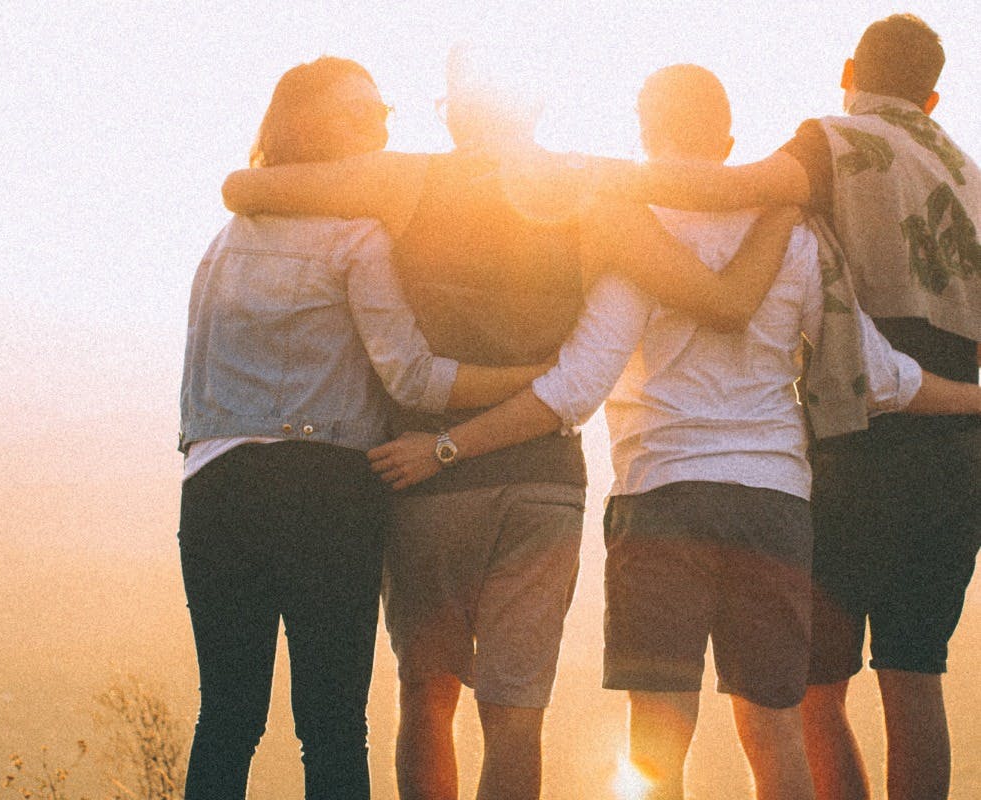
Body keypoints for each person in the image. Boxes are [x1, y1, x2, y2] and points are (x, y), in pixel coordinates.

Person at [370, 63, 981, 800]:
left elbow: (576, 388)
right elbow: (877, 375)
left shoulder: (634, 236)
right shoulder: (794, 235)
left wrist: (449, 446)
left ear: (644, 133)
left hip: (662, 500)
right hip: (774, 503)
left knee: (658, 740)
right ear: (727, 141)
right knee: (776, 734)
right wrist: (972, 398)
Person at [221, 48, 799, 800]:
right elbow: (722, 302)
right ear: (533, 108)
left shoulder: (404, 180)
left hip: (423, 481)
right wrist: (785, 203)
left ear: (455, 111)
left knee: (426, 702)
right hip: (542, 484)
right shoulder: (592, 198)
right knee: (515, 718)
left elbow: (246, 187)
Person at [592, 15, 981, 800]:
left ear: (849, 71)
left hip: (858, 444)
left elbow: (728, 189)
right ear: (934, 95)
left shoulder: (833, 141)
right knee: (915, 677)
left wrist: (585, 179)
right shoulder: (970, 177)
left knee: (810, 690)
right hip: (960, 443)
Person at [178, 55, 563, 800]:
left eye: (384, 111)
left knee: (225, 716)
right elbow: (413, 378)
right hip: (324, 489)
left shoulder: (224, 242)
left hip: (213, 489)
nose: (382, 125)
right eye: (361, 113)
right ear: (310, 124)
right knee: (330, 726)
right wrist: (532, 378)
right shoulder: (356, 237)